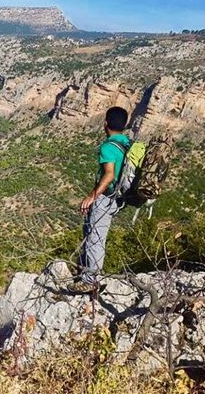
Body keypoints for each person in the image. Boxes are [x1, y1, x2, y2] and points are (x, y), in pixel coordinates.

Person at [68, 106, 131, 294]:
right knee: (92, 233)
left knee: (96, 237)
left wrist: (91, 197)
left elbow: (109, 175)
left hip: (107, 198)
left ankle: (90, 281)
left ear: (105, 124)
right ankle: (85, 272)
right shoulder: (127, 143)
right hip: (118, 198)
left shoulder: (108, 147)